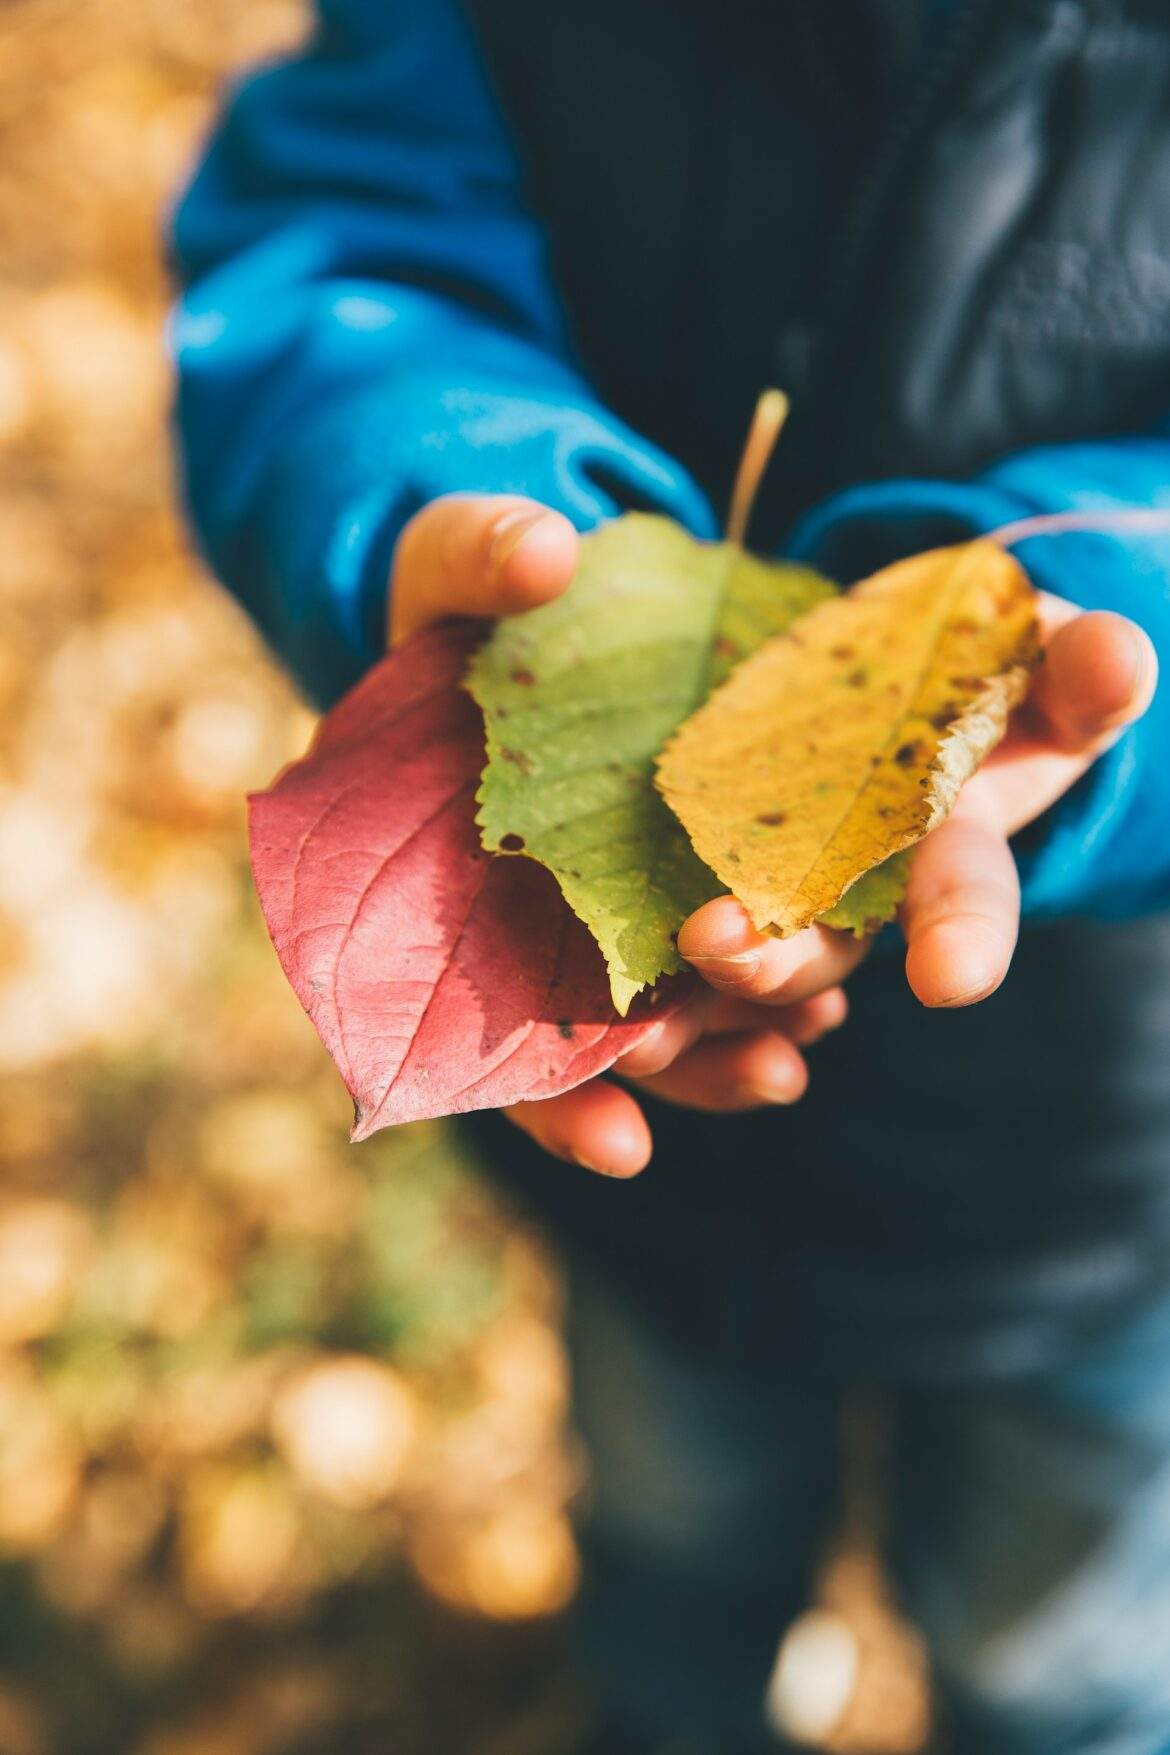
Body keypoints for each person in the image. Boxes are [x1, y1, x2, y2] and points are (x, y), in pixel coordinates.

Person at [171, 3, 1170, 1750]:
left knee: (1058, 1657)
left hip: (1101, 1184)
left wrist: (1083, 620)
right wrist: (447, 484)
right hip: (660, 1173)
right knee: (674, 1539)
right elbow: (338, 252)